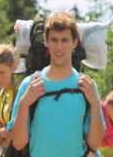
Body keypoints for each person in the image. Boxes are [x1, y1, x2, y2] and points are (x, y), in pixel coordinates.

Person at [8, 11, 105, 157]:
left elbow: (95, 144)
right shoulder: (30, 85)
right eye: (54, 40)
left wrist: (96, 104)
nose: (59, 47)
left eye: (64, 40)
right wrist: (24, 104)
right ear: (46, 42)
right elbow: (18, 143)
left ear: (74, 42)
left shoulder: (87, 87)